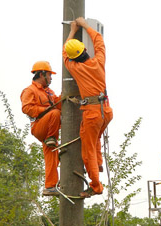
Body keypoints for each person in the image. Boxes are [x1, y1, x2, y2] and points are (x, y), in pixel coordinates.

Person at [63, 17, 113, 198]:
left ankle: (96, 186)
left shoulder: (74, 67)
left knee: (87, 152)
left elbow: (64, 53)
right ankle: (98, 163)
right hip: (105, 110)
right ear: (85, 50)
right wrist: (84, 25)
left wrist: (72, 30)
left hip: (92, 113)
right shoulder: (99, 61)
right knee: (96, 138)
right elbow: (99, 40)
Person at [21, 61, 61, 196]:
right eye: (49, 75)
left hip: (50, 128)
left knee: (52, 154)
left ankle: (50, 186)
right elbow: (27, 108)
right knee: (55, 113)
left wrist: (66, 95)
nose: (51, 78)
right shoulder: (30, 90)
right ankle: (51, 138)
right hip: (39, 126)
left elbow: (58, 103)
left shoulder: (49, 92)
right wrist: (46, 109)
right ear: (41, 74)